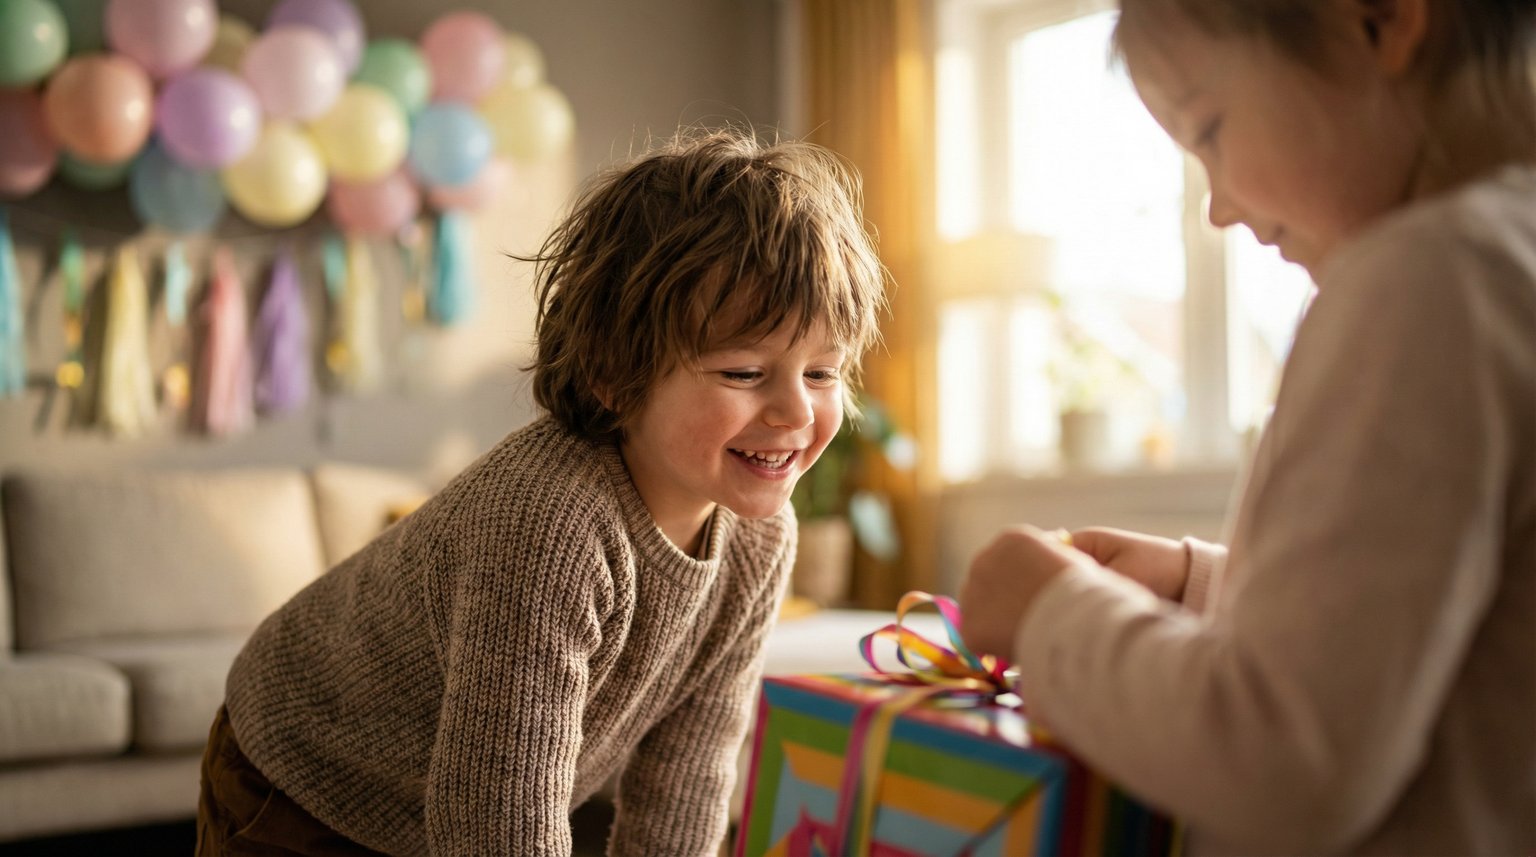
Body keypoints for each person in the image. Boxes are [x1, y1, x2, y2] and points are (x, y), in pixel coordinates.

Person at [195, 129, 887, 856]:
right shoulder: (550, 522)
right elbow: (497, 821)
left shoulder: (761, 540)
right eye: (744, 373)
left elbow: (688, 780)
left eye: (823, 373)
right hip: (300, 777)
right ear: (613, 373)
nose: (797, 412)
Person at [957, 0, 1535, 853]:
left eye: (1210, 131)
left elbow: (1285, 756)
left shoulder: (1426, 278)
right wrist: (1202, 584)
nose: (1217, 209)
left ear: (1380, 19)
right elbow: (1455, 618)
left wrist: (1052, 615)